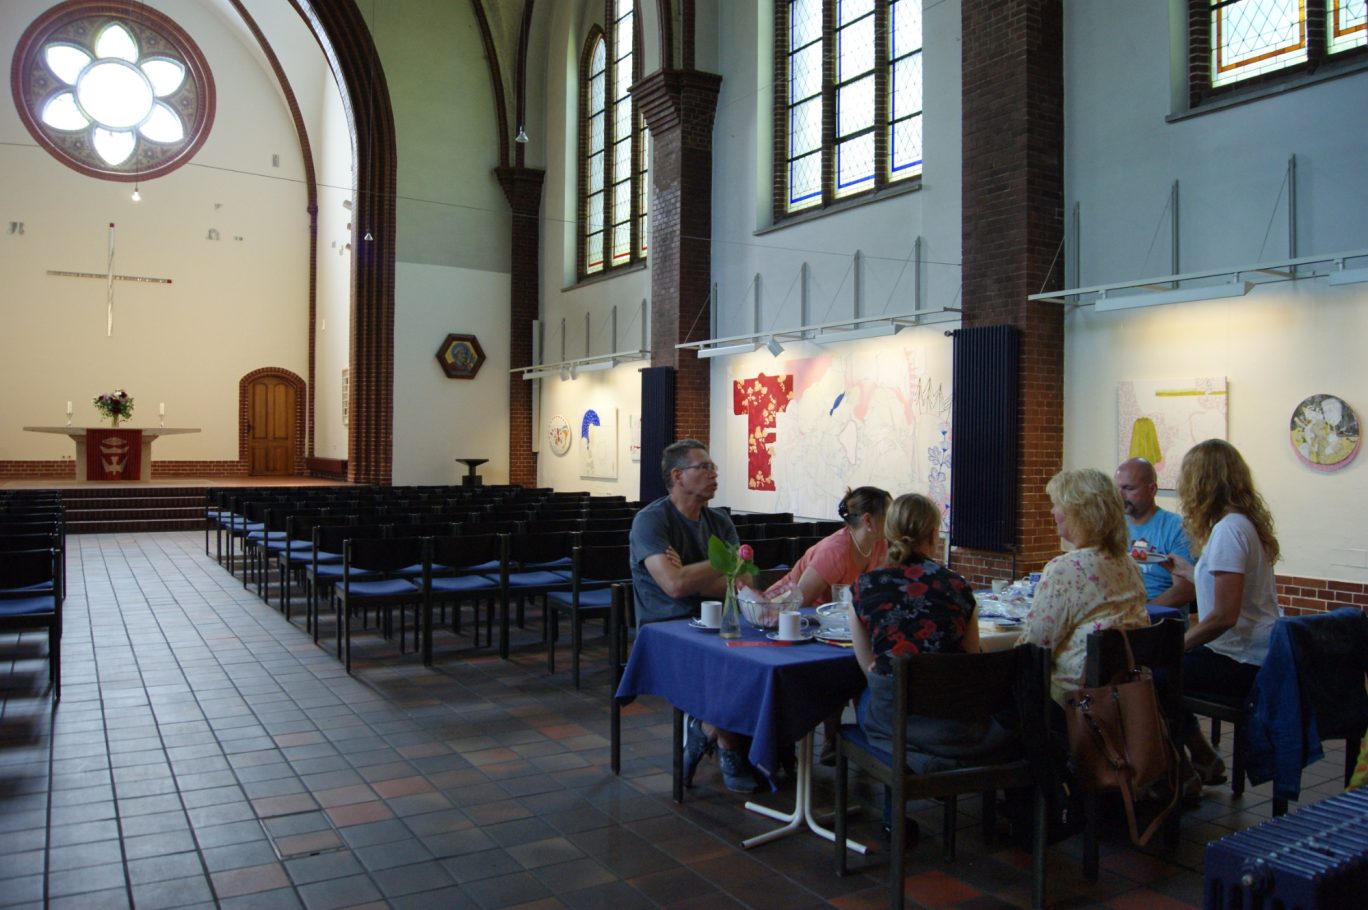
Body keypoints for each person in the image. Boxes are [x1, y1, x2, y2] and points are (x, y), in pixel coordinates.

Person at [850, 493, 1011, 839]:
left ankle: (896, 813)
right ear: (933, 534)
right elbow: (969, 661)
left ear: (889, 532)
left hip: (895, 722)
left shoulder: (864, 587)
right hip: (953, 724)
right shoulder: (958, 587)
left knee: (871, 698)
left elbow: (868, 665)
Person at [628, 439, 758, 791]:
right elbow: (673, 587)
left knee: (761, 662)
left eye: (713, 467)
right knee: (727, 666)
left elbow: (742, 582)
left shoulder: (720, 521)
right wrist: (719, 568)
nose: (714, 474)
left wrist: (691, 574)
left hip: (717, 617)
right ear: (678, 476)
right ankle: (729, 745)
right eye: (705, 467)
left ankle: (704, 731)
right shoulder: (651, 522)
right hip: (667, 627)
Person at [1162, 439, 1282, 787]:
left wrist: (1180, 645)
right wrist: (1190, 572)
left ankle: (1179, 772)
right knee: (1155, 672)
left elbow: (1224, 615)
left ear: (1201, 483)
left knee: (1147, 677)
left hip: (1242, 661)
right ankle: (1199, 758)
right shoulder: (1242, 523)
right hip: (1256, 654)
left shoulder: (1228, 531)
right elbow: (1230, 592)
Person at [1020, 468, 1149, 706]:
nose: (1052, 511)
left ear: (1077, 513)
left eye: (1057, 504)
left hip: (1075, 701)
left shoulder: (1065, 568)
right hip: (1126, 695)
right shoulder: (1128, 563)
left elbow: (1036, 646)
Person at [764, 486, 890, 606]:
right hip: (775, 611)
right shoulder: (835, 551)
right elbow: (797, 604)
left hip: (829, 620)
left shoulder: (879, 543)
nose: (894, 519)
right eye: (889, 514)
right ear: (868, 520)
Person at [1114, 457, 1194, 607]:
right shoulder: (1114, 525)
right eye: (1117, 489)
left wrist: (1145, 613)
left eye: (1129, 489)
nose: (1120, 496)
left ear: (1152, 489)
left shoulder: (1176, 527)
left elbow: (1185, 590)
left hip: (1159, 616)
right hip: (1120, 611)